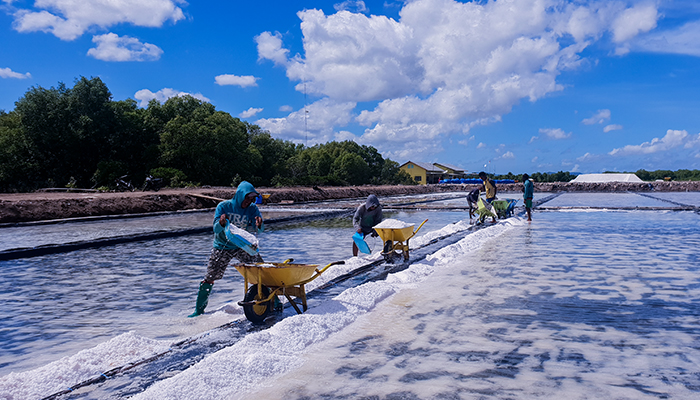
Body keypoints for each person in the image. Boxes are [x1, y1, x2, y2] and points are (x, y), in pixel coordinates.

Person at [188, 181, 264, 317]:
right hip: (223, 245)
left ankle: (273, 302)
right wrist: (221, 223)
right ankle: (198, 310)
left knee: (261, 271)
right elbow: (215, 229)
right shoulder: (224, 206)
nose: (249, 201)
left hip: (242, 245)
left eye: (252, 199)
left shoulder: (252, 209)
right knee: (210, 277)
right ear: (240, 195)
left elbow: (258, 228)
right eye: (247, 198)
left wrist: (259, 223)